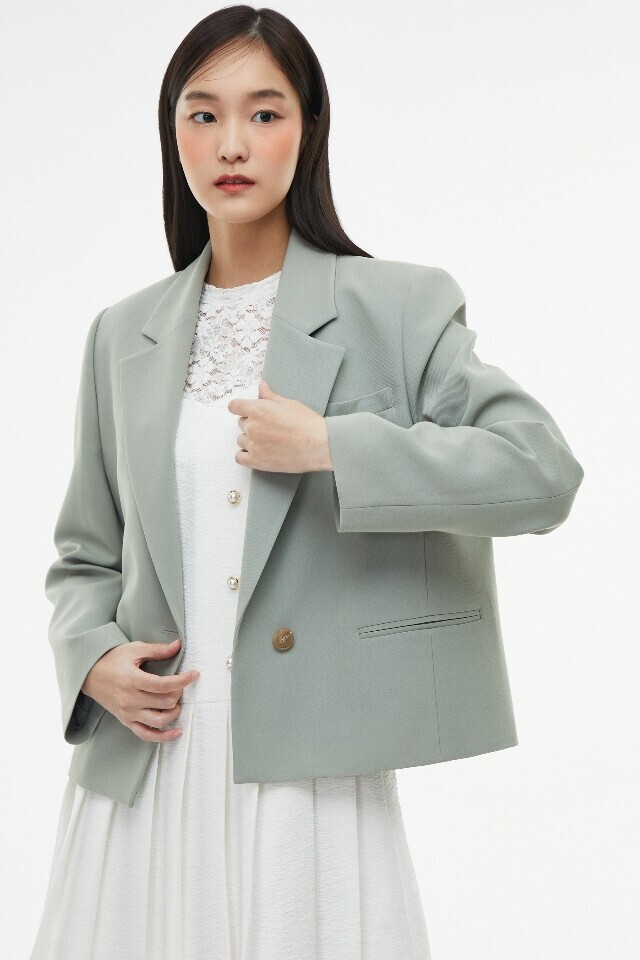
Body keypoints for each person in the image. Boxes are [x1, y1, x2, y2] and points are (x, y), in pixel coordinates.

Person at [29, 7, 584, 959]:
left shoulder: (396, 305)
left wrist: (334, 445)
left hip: (311, 773)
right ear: (172, 133)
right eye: (202, 115)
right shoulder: (122, 334)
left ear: (310, 128)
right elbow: (85, 551)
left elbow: (541, 472)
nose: (231, 144)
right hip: (143, 771)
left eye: (264, 113)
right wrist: (90, 660)